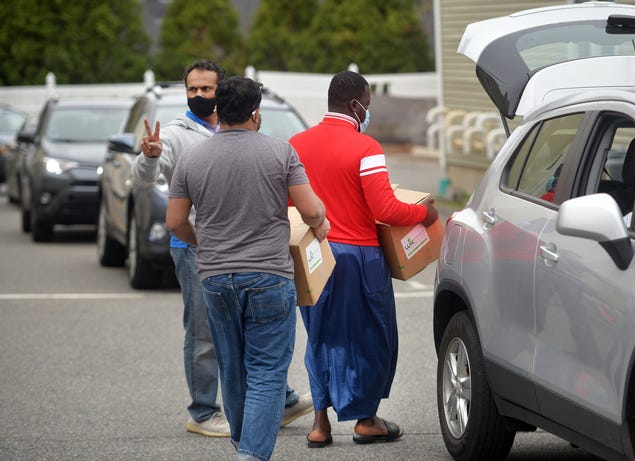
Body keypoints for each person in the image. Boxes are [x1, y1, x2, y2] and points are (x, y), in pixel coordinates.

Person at [133, 60, 313, 438]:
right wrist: (149, 157)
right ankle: (202, 411)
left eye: (205, 89)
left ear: (222, 92)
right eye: (192, 89)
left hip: (238, 248)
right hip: (197, 245)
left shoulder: (247, 135)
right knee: (205, 335)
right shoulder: (178, 136)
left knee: (244, 332)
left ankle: (277, 400)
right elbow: (149, 180)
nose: (198, 95)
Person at [166, 76, 330, 461]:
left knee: (233, 367)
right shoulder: (280, 153)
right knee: (268, 371)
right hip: (269, 276)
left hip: (215, 278)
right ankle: (251, 454)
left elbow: (175, 222)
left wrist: (202, 243)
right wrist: (320, 223)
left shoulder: (193, 157)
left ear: (219, 111)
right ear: (256, 113)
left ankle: (245, 445)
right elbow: (311, 210)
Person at [289, 70, 439, 448]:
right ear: (355, 105)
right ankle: (365, 421)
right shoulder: (365, 148)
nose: (367, 112)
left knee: (320, 336)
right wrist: (426, 215)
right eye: (367, 105)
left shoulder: (295, 144)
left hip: (314, 256)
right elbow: (385, 208)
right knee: (372, 336)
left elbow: (289, 205)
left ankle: (320, 426)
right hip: (359, 257)